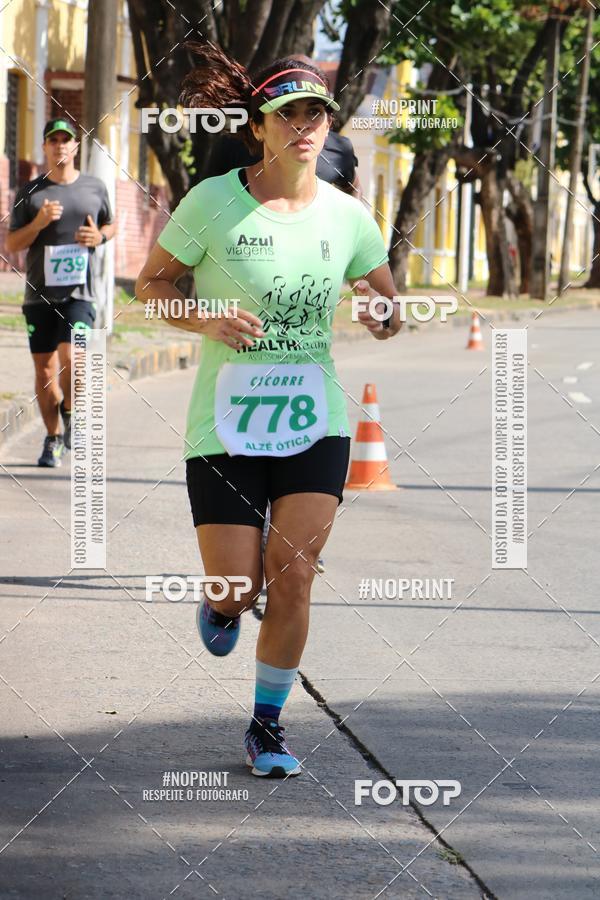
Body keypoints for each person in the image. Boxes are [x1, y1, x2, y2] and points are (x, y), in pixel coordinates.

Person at [136, 45, 401, 778]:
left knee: (294, 573)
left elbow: (387, 301)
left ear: (327, 124)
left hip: (314, 420)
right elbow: (152, 285)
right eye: (288, 115)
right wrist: (206, 318)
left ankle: (267, 726)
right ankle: (221, 607)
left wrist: (385, 312)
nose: (303, 127)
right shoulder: (213, 202)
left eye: (315, 113)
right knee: (237, 585)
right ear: (259, 126)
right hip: (226, 420)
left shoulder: (348, 216)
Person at [6, 118, 115, 467]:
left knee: (74, 359)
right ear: (44, 147)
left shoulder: (94, 188)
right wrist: (38, 224)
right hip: (38, 295)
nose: (59, 145)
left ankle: (70, 410)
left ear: (75, 147)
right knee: (43, 371)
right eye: (52, 140)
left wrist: (99, 237)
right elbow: (10, 243)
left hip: (79, 294)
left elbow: (109, 225)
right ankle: (53, 438)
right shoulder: (31, 191)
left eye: (65, 140)